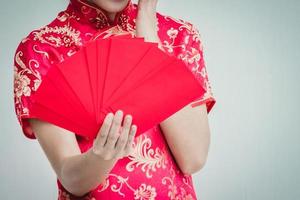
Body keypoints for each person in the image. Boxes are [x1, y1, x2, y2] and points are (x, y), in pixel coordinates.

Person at [13, 0, 216, 199]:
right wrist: (100, 157)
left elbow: (193, 158)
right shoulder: (42, 49)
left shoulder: (178, 34)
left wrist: (147, 29)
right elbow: (71, 180)